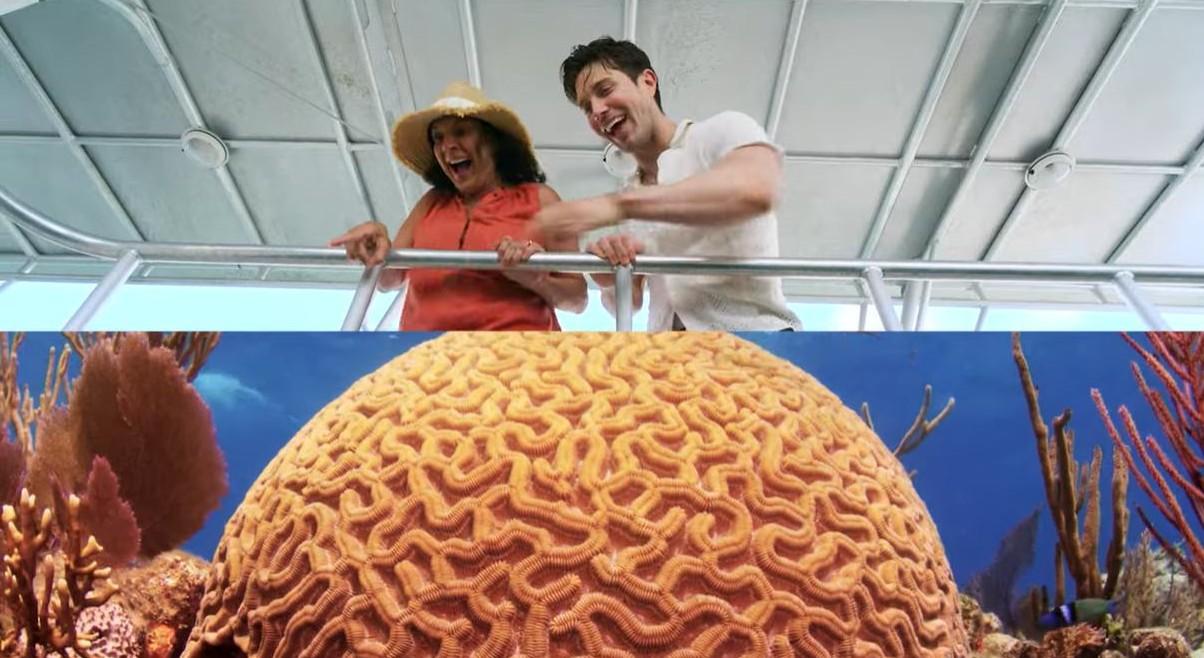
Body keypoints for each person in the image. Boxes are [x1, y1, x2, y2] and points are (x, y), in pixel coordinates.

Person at [533, 37, 802, 332]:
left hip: (759, 344)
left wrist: (616, 206)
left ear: (648, 82)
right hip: (674, 360)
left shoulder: (719, 131)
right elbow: (629, 302)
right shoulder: (632, 193)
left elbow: (757, 188)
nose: (597, 110)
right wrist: (608, 274)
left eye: (605, 90)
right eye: (586, 107)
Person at [330, 81, 586, 330]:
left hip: (517, 360)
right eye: (437, 138)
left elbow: (577, 299)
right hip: (426, 360)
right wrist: (375, 246)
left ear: (493, 141)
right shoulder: (431, 202)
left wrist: (536, 278)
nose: (447, 146)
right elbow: (389, 280)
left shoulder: (542, 199)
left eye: (461, 132)